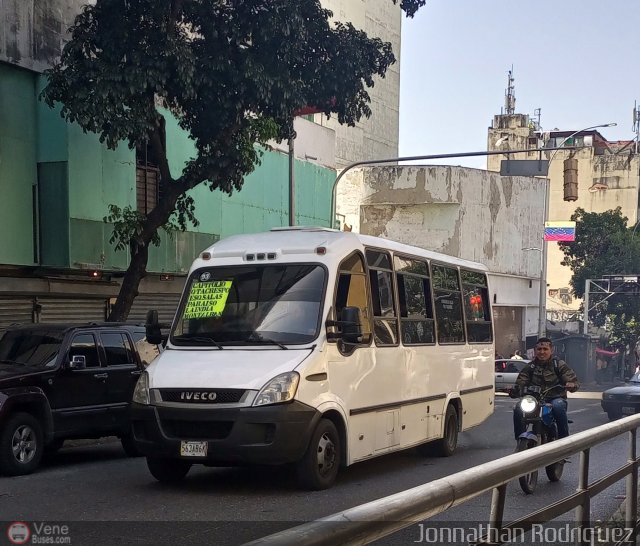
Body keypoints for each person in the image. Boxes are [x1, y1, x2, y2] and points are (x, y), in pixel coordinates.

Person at [512, 337, 579, 440]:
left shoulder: (559, 364)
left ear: (551, 350)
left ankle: (564, 443)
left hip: (555, 398)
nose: (542, 352)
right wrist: (513, 390)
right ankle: (520, 439)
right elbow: (521, 382)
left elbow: (574, 382)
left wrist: (571, 384)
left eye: (545, 349)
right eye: (539, 349)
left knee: (558, 406)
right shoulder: (530, 367)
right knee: (518, 408)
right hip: (534, 400)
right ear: (535, 351)